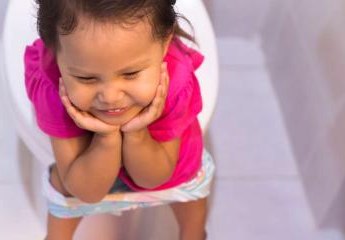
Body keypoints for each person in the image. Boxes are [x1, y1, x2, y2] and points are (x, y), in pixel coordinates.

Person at [24, 0, 215, 239]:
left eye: (131, 73)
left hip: (162, 163)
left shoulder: (175, 79)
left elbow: (153, 179)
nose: (110, 97)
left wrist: (136, 134)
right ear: (55, 53)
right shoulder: (53, 86)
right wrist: (107, 139)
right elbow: (86, 192)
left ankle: (193, 233)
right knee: (65, 187)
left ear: (165, 42)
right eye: (86, 78)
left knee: (191, 207)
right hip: (84, 167)